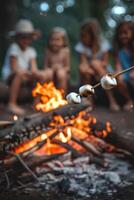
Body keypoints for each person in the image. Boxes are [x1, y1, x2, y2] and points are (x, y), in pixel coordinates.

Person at [75, 19, 120, 111]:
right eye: (81, 36)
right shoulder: (81, 46)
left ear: (92, 36)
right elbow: (83, 64)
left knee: (95, 63)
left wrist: (93, 65)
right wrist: (91, 68)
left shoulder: (103, 44)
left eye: (84, 36)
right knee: (84, 70)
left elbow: (105, 62)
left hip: (103, 71)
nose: (82, 38)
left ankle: (112, 100)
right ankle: (89, 101)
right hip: (90, 72)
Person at [2, 19, 42, 115]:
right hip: (11, 76)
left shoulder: (31, 51)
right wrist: (27, 73)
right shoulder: (14, 47)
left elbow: (33, 68)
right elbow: (14, 68)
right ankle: (12, 103)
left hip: (24, 75)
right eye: (23, 37)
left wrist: (36, 73)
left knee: (40, 76)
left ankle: (36, 103)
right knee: (20, 73)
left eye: (28, 37)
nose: (26, 40)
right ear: (17, 38)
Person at [112, 21, 134, 110]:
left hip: (132, 73)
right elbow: (118, 65)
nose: (122, 36)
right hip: (126, 73)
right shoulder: (118, 50)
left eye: (125, 33)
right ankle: (130, 100)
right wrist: (118, 74)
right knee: (118, 79)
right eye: (120, 33)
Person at [43, 27, 70, 94]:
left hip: (62, 74)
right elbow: (45, 67)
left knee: (61, 74)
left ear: (64, 41)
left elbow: (68, 68)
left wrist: (60, 68)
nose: (54, 42)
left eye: (58, 40)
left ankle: (61, 97)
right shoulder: (48, 51)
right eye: (52, 40)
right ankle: (48, 96)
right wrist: (51, 69)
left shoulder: (65, 51)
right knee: (48, 73)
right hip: (50, 72)